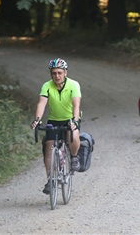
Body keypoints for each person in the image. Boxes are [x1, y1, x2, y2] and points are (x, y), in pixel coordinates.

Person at [31, 58, 82, 194]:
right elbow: (41, 104)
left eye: (59, 73)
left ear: (65, 72)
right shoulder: (46, 86)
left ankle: (74, 156)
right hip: (54, 120)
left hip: (70, 118)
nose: (57, 76)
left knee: (73, 134)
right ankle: (50, 180)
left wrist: (75, 121)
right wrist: (37, 120)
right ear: (50, 74)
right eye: (54, 73)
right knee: (49, 145)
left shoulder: (74, 85)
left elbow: (76, 105)